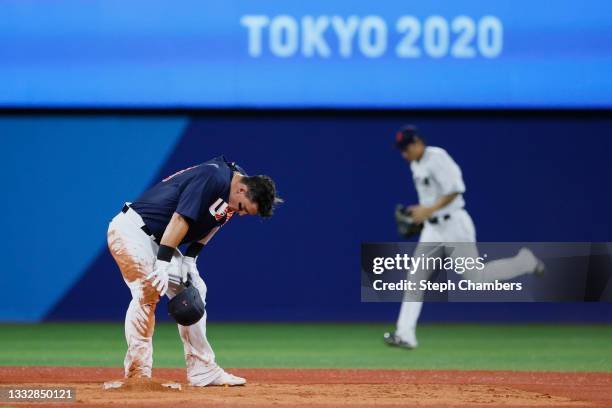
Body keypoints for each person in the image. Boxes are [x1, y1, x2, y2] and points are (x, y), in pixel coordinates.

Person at [107, 155, 282, 385]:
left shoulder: (234, 184)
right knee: (147, 290)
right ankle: (137, 374)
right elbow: (180, 219)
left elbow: (216, 221)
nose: (239, 213)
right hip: (131, 232)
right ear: (241, 189)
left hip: (161, 240)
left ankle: (202, 369)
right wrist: (162, 263)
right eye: (242, 208)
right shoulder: (214, 177)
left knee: (195, 291)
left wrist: (190, 259)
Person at [384, 126, 543, 349]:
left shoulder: (437, 157)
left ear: (418, 142)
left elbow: (456, 190)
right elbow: (432, 199)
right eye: (401, 149)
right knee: (416, 276)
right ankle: (405, 334)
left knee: (475, 278)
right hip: (433, 228)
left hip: (454, 225)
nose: (404, 153)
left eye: (406, 147)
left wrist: (428, 211)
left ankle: (524, 262)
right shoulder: (415, 164)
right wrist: (419, 211)